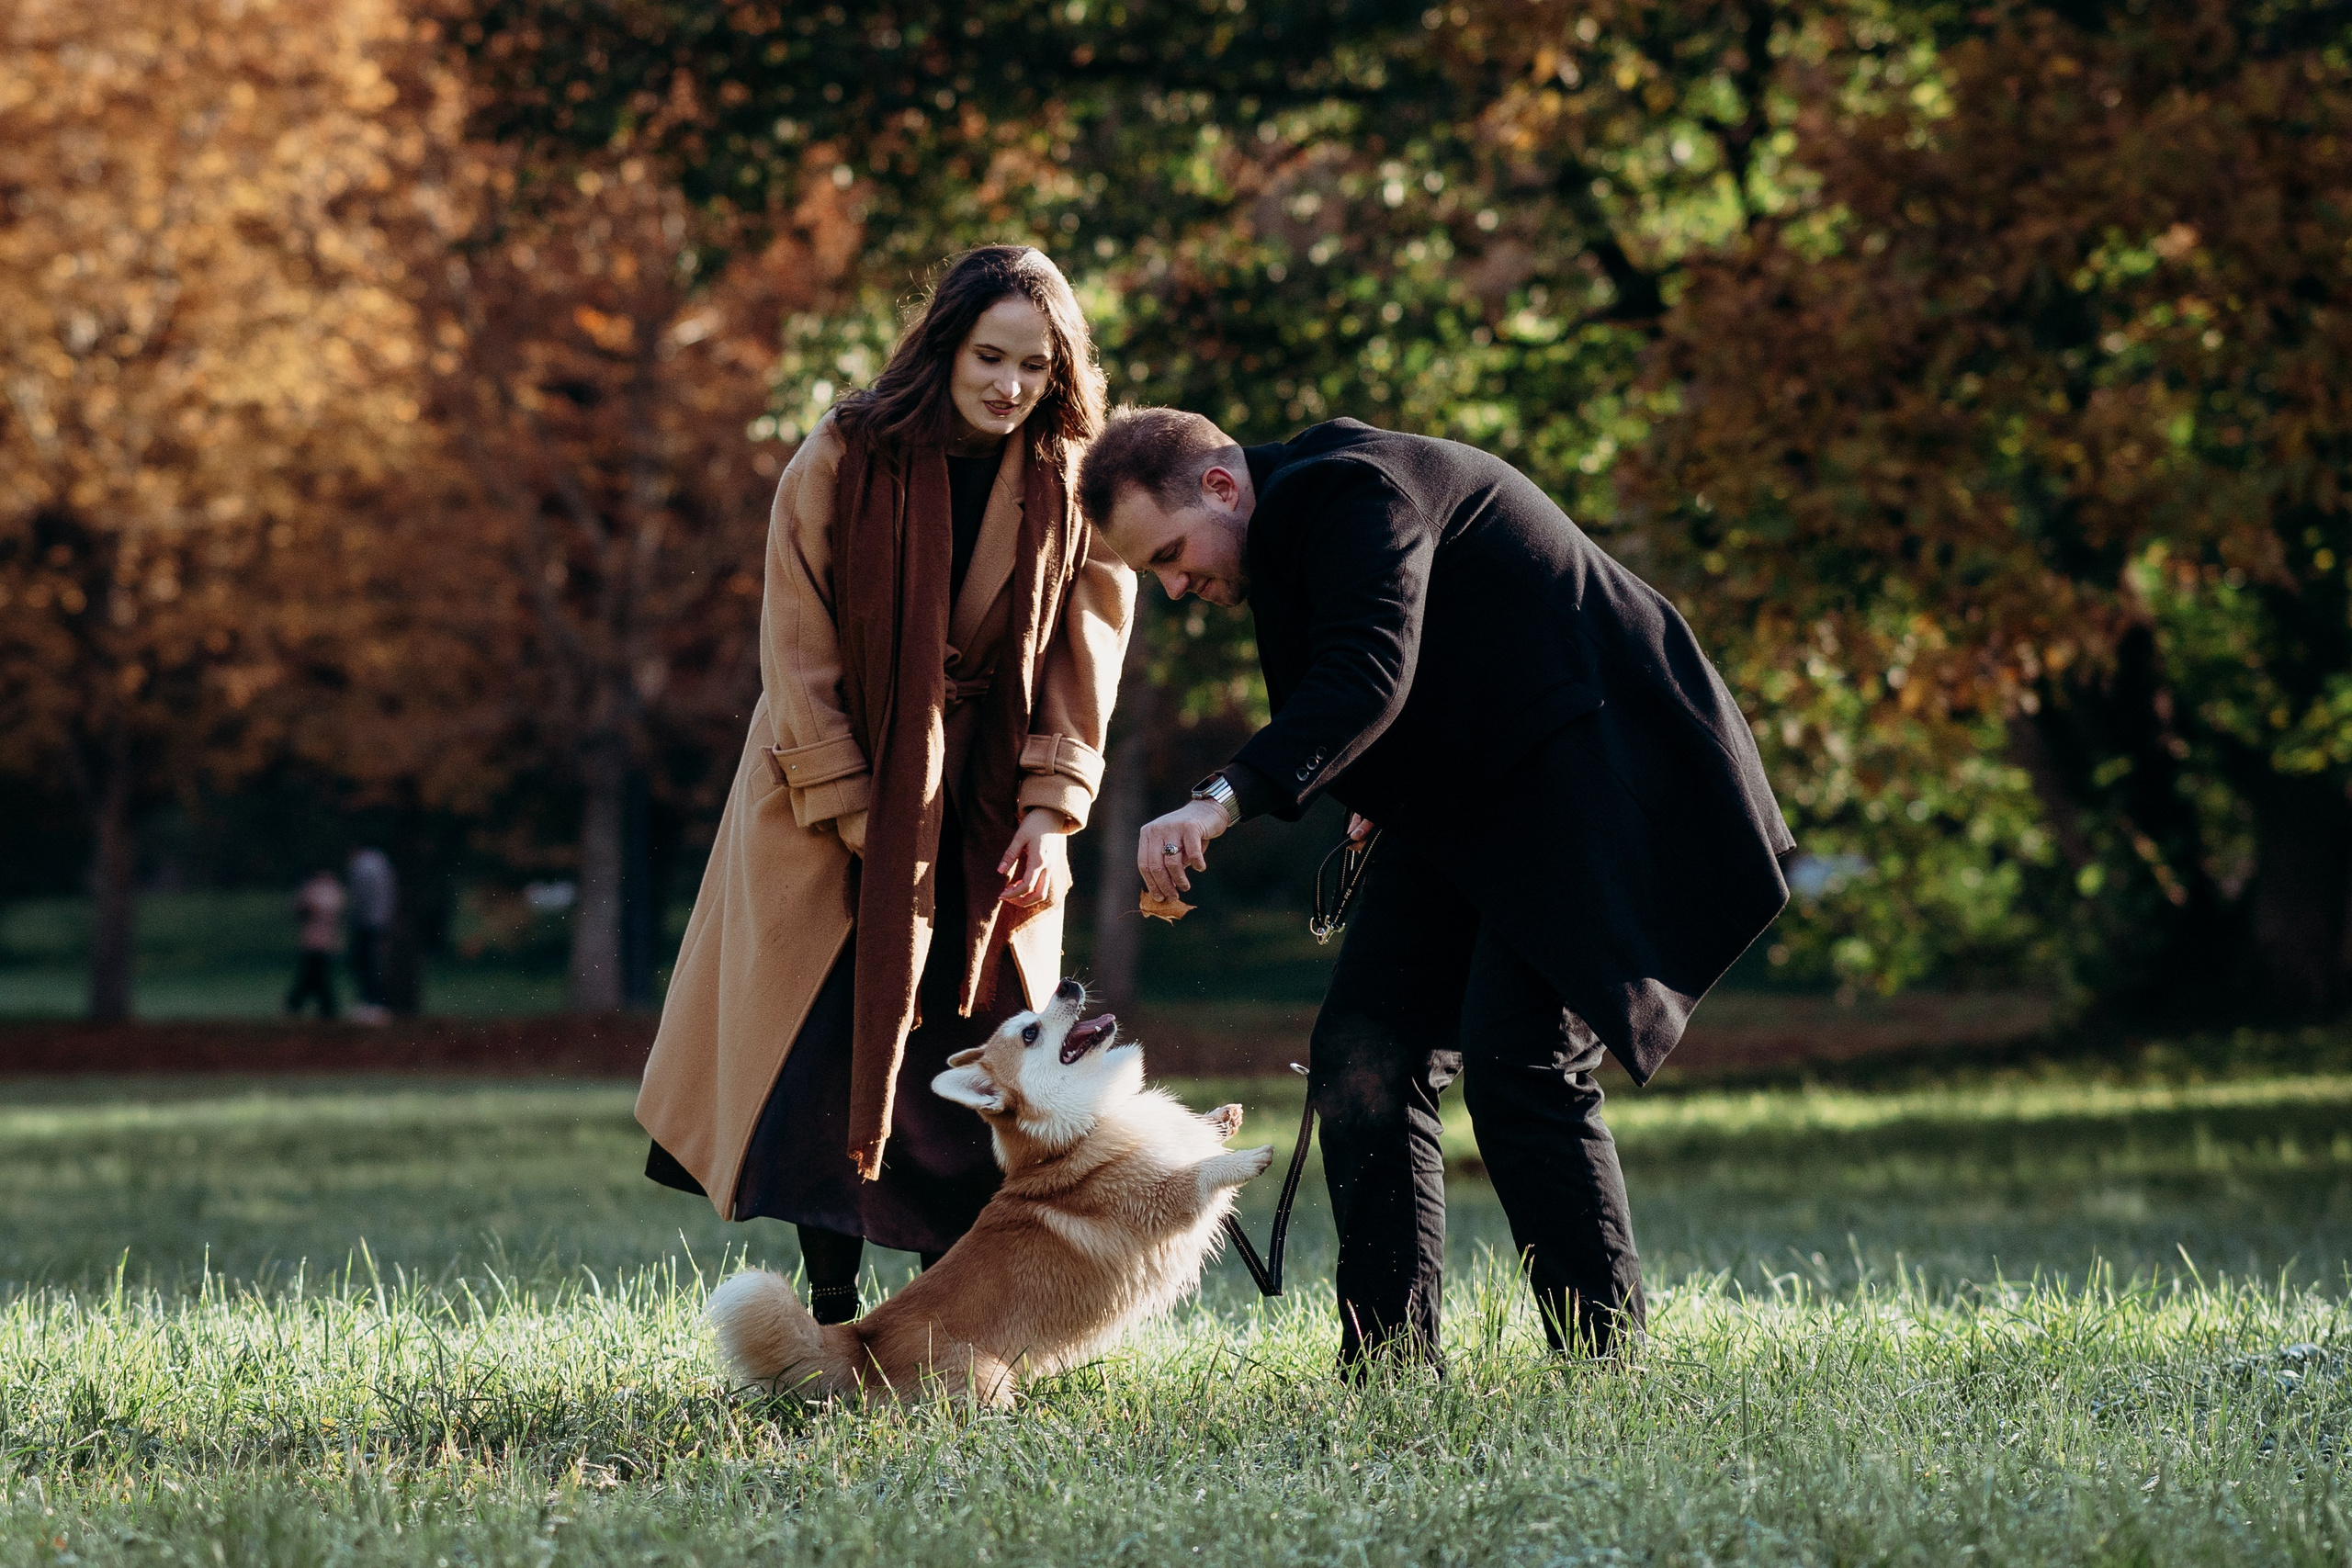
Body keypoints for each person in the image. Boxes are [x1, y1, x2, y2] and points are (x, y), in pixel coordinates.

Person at [1080, 410, 1793, 1370]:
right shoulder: (1293, 523)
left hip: (1602, 771)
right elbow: (1430, 658)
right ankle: (1390, 1369)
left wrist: (1218, 802)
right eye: (1152, 575)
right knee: (1362, 1053)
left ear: (1219, 485)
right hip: (1484, 796)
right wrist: (1384, 789)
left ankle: (1602, 1362)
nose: (1175, 586)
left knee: (1522, 1062)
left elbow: (1367, 668)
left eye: (1170, 555)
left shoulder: (1351, 490)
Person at [636, 246, 1134, 1324]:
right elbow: (796, 646)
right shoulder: (843, 452)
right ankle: (826, 1320)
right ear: (943, 348)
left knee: (975, 1066)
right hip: (833, 805)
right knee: (827, 1066)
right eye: (987, 357)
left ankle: (950, 1323)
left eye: (1034, 367)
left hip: (994, 812)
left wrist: (1050, 816)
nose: (1008, 386)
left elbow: (1083, 659)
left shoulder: (1074, 478)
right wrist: (857, 806)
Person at [345, 847, 397, 1025]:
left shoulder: (362, 866)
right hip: (381, 920)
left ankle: (372, 1005)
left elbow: (360, 898)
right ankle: (377, 1004)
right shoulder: (382, 862)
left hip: (367, 922)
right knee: (373, 962)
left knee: (366, 963)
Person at [286, 869, 345, 1021]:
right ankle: (325, 1007)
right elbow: (301, 910)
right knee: (314, 974)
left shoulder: (330, 891)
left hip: (324, 941)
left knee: (314, 975)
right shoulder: (314, 889)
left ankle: (301, 1004)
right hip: (313, 940)